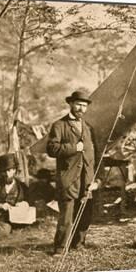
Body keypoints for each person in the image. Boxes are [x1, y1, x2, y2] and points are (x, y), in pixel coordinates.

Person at [46, 90, 99, 254]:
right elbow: (51, 149)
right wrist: (74, 148)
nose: (81, 109)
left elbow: (94, 154)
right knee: (66, 217)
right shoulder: (59, 125)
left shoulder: (89, 128)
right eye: (78, 104)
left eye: (84, 106)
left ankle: (78, 244)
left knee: (85, 215)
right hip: (68, 178)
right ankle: (60, 248)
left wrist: (97, 179)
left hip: (87, 179)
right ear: (70, 104)